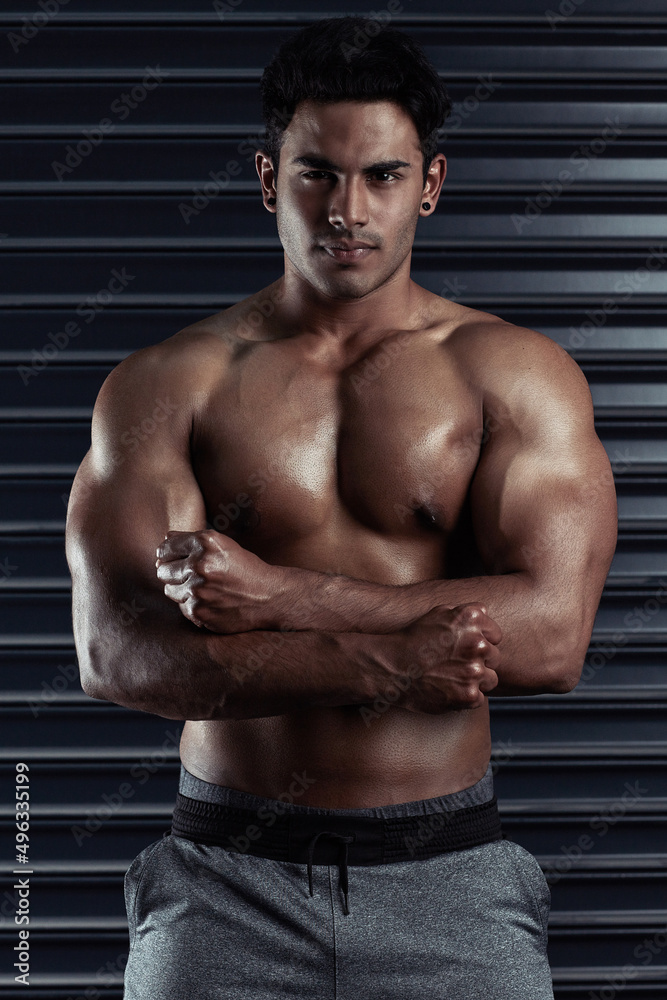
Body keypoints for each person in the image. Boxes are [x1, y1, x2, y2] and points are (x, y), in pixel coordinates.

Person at [65, 15, 618, 999]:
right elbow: (120, 654)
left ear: (431, 186)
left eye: (383, 176)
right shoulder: (165, 385)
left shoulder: (516, 376)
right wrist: (397, 659)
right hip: (226, 882)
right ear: (267, 178)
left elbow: (550, 638)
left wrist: (279, 591)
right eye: (317, 171)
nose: (347, 208)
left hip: (448, 879)